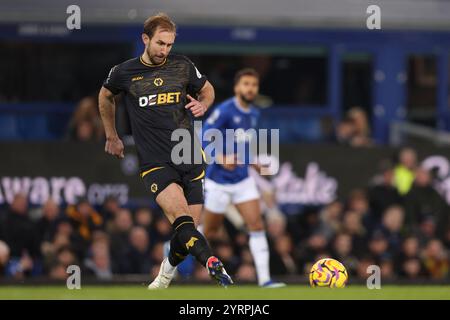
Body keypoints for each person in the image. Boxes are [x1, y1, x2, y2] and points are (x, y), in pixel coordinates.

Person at [98, 12, 231, 288]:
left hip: (190, 156)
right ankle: (213, 264)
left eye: (169, 45)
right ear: (145, 39)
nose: (165, 50)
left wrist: (203, 105)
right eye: (160, 43)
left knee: (187, 233)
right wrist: (112, 135)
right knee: (182, 220)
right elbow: (105, 95)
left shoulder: (182, 65)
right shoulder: (124, 72)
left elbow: (208, 90)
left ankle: (163, 276)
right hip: (156, 162)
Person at [201, 68, 285, 288]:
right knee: (207, 232)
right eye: (246, 84)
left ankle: (265, 280)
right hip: (218, 180)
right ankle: (175, 253)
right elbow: (203, 135)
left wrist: (254, 164)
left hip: (242, 180)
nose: (250, 89)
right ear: (237, 87)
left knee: (256, 225)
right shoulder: (226, 110)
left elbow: (243, 144)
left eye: (254, 85)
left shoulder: (254, 114)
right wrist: (219, 157)